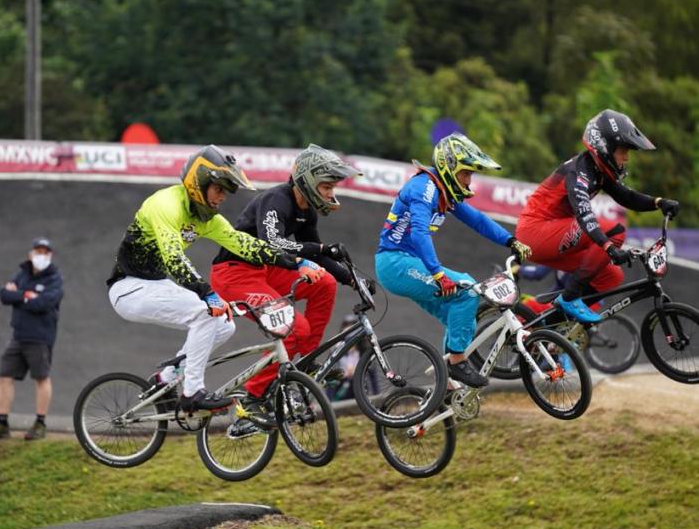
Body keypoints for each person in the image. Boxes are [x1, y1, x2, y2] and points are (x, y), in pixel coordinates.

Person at [106, 144, 322, 412]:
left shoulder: (209, 219)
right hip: (128, 287)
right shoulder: (166, 204)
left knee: (225, 323)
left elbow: (246, 245)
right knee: (207, 312)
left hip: (156, 284)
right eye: (219, 189)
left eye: (226, 192)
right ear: (200, 182)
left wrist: (296, 261)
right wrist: (207, 293)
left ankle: (167, 378)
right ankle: (192, 392)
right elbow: (174, 258)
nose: (222, 197)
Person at [209, 144, 366, 430]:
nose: (332, 194)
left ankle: (305, 362)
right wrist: (318, 249)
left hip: (265, 270)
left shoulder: (307, 211)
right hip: (234, 275)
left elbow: (317, 256)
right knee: (295, 328)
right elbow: (273, 242)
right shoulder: (275, 199)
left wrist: (351, 278)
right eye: (327, 187)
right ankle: (253, 396)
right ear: (306, 181)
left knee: (325, 284)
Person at [375, 133, 531, 388]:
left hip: (411, 264)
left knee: (460, 315)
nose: (469, 181)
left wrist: (510, 241)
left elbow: (478, 220)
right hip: (396, 263)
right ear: (449, 168)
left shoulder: (445, 192)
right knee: (468, 291)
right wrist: (438, 273)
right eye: (466, 174)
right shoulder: (424, 188)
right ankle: (457, 362)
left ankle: (445, 385)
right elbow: (419, 232)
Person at [515, 109, 680, 323]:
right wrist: (608, 246)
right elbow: (585, 215)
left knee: (611, 276)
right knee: (615, 230)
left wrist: (658, 203)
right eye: (623, 151)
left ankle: (549, 321)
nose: (626, 158)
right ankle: (570, 297)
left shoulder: (598, 171)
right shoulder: (579, 172)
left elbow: (627, 197)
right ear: (605, 147)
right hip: (534, 233)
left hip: (552, 235)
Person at [0, 238, 63, 441]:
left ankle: (40, 423)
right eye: (38, 251)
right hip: (18, 336)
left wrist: (17, 295)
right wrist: (26, 294)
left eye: (45, 252)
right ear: (30, 253)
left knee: (41, 378)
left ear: (50, 255)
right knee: (4, 376)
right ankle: (2, 423)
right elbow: (3, 295)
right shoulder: (23, 274)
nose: (41, 255)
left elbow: (44, 303)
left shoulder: (54, 278)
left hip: (40, 338)